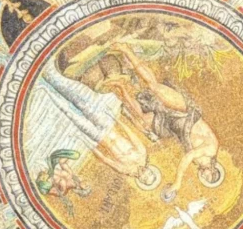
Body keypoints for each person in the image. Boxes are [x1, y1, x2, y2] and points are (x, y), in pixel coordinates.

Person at [24, 59, 160, 190]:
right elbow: (130, 134)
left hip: (98, 137)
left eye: (144, 178)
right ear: (150, 170)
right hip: (108, 126)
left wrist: (86, 142)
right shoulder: (142, 154)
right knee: (81, 101)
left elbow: (105, 159)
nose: (145, 174)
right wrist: (115, 119)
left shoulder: (126, 170)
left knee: (70, 114)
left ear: (140, 180)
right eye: (148, 174)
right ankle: (51, 75)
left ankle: (45, 88)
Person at [111, 42, 222, 199]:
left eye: (205, 179)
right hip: (185, 114)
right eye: (209, 177)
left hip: (174, 126)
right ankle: (126, 49)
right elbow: (188, 156)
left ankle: (121, 86)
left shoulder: (200, 162)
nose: (204, 177)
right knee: (154, 86)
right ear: (213, 170)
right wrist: (177, 183)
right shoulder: (211, 150)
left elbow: (184, 144)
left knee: (143, 121)